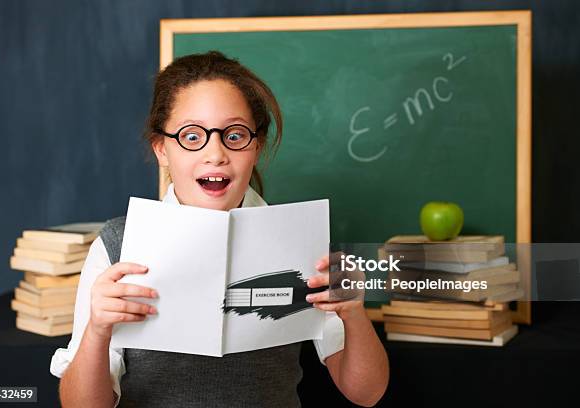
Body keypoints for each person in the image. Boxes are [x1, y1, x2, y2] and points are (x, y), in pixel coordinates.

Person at [50, 51, 389, 407]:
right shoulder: (118, 245)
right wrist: (97, 331)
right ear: (162, 149)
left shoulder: (302, 241)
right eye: (192, 137)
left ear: (256, 146)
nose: (215, 154)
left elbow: (366, 393)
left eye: (235, 134)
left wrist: (354, 314)